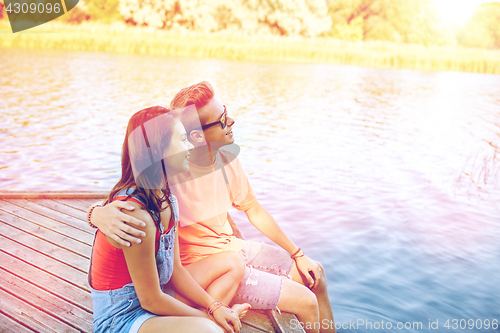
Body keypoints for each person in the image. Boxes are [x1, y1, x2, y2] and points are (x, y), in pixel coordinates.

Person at [89, 84, 336, 333]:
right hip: (196, 270)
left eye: (225, 112)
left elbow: (253, 208)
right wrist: (97, 214)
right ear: (196, 135)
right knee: (306, 301)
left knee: (315, 275)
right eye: (221, 120)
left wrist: (298, 253)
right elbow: (129, 193)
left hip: (230, 253)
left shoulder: (214, 165)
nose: (232, 121)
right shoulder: (170, 177)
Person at [88, 106, 250, 333]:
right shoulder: (136, 215)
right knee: (208, 330)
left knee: (232, 261)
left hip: (156, 294)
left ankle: (214, 318)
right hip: (123, 318)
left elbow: (175, 271)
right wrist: (207, 318)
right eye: (183, 139)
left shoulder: (165, 197)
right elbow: (151, 301)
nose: (191, 146)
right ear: (159, 150)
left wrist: (214, 307)